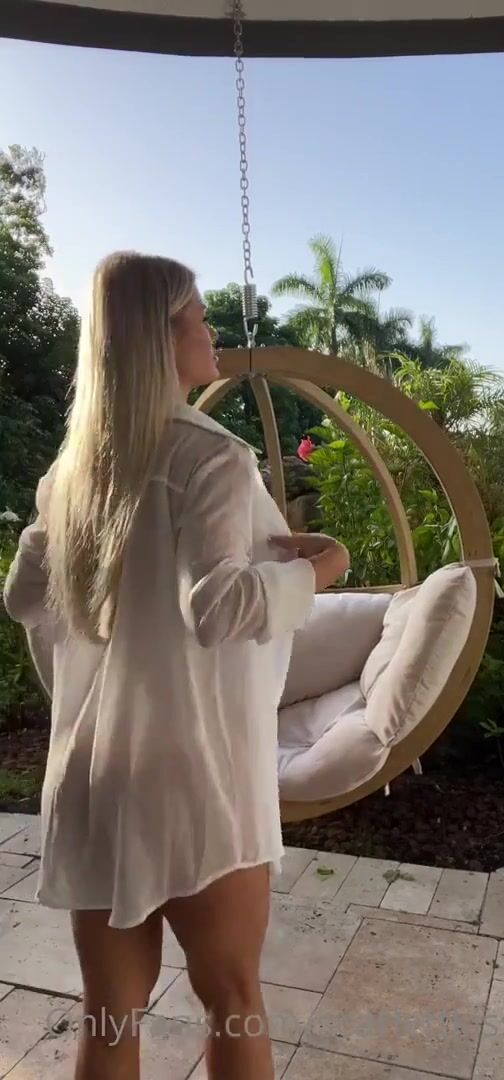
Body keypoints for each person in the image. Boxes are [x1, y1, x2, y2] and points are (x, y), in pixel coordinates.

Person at [3, 251, 350, 1080]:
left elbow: (23, 596)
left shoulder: (73, 468)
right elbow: (219, 607)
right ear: (161, 337)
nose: (211, 329)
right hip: (194, 776)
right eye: (197, 316)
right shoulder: (212, 456)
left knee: (108, 1014)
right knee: (233, 1001)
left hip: (96, 768)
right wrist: (324, 567)